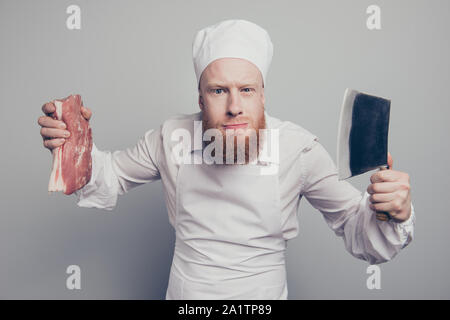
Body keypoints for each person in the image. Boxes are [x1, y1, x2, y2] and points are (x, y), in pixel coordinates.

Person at [37, 19, 415, 299]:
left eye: (246, 90)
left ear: (263, 95)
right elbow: (110, 176)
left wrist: (389, 212)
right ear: (200, 98)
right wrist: (73, 146)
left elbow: (354, 223)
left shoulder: (297, 148)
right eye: (219, 90)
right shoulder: (171, 137)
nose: (235, 106)